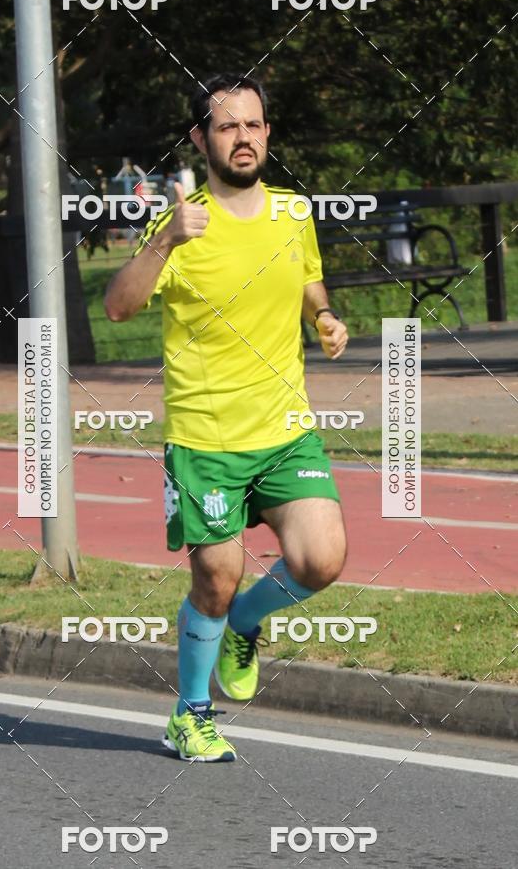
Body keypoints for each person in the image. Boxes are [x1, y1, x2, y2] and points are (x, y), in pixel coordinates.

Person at [104, 73, 349, 762]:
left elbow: (306, 279)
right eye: (226, 126)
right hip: (205, 439)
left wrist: (324, 316)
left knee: (321, 559)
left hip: (285, 430)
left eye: (253, 125)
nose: (242, 138)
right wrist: (164, 242)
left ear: (267, 133)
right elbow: (117, 307)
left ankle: (247, 621)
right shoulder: (180, 225)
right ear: (201, 140)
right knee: (216, 576)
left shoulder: (293, 213)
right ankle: (190, 714)